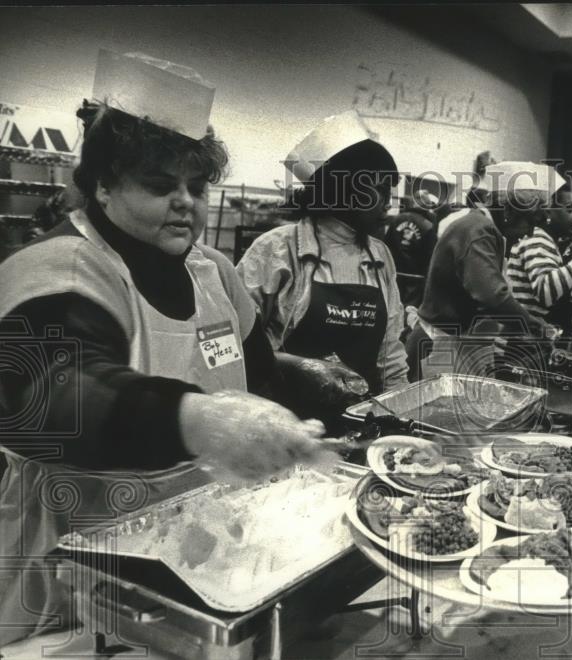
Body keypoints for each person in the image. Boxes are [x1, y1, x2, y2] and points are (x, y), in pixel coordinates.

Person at [0, 53, 333, 646]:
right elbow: (50, 393)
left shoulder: (216, 274)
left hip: (199, 564)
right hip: (76, 577)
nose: (186, 201)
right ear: (101, 183)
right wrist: (201, 419)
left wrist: (301, 405)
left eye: (197, 187)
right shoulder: (59, 267)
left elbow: (257, 375)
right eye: (160, 185)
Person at [236, 111, 409, 405]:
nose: (388, 205)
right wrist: (301, 367)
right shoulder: (277, 249)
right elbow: (236, 344)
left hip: (360, 420)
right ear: (343, 191)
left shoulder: (380, 255)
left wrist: (402, 409)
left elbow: (390, 351)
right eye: (378, 192)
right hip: (285, 421)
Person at [405, 161, 555, 381]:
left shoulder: (489, 231)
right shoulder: (478, 230)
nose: (531, 231)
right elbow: (492, 296)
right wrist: (534, 327)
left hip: (460, 346)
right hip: (440, 348)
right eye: (531, 222)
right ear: (508, 211)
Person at [504, 184, 572, 319]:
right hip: (525, 334)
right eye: (569, 209)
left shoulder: (546, 239)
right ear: (548, 211)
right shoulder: (538, 239)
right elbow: (546, 293)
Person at [384, 189, 438, 307]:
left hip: (395, 273)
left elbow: (386, 245)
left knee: (391, 306)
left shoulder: (396, 220)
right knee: (409, 312)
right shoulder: (428, 226)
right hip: (416, 278)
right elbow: (431, 255)